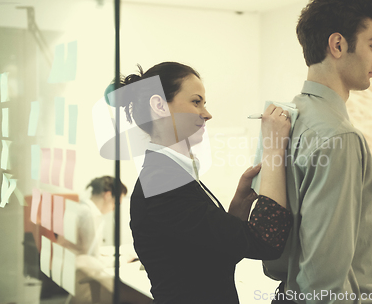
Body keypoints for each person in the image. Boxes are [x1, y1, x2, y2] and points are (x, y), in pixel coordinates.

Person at [105, 61, 293, 304]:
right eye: (196, 101)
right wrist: (274, 147)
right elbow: (266, 242)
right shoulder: (164, 184)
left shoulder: (169, 177)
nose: (207, 113)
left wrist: (240, 202)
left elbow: (217, 250)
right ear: (159, 105)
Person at [262, 0, 372, 303]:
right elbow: (324, 277)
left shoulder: (282, 120)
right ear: (338, 44)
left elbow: (271, 246)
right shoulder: (339, 137)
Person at [75, 176, 128, 257]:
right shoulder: (88, 214)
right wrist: (123, 260)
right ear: (108, 195)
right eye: (117, 204)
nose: (114, 209)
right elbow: (92, 257)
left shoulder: (83, 209)